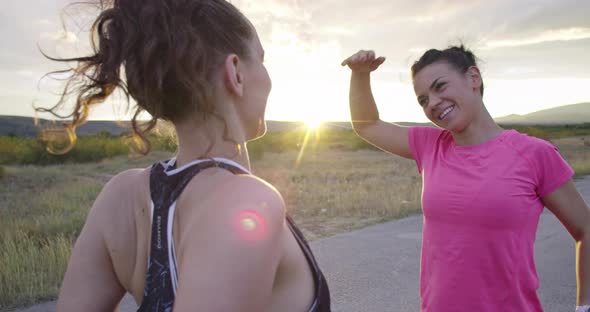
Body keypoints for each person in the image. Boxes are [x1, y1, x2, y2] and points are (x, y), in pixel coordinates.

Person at [46, 1, 330, 311]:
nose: (268, 77)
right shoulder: (247, 204)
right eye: (261, 60)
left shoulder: (118, 196)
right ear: (235, 72)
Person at [341, 46, 590, 311]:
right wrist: (360, 74)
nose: (433, 103)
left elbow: (585, 230)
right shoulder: (430, 145)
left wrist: (584, 306)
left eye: (440, 87)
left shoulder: (534, 154)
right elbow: (366, 125)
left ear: (473, 78)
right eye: (423, 100)